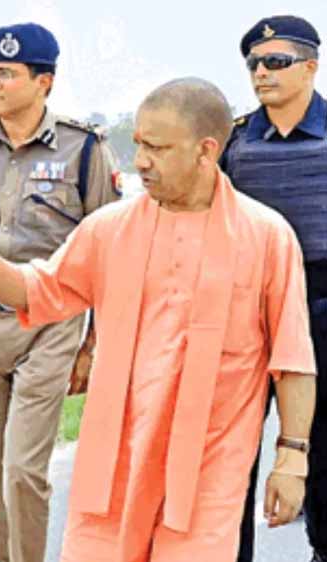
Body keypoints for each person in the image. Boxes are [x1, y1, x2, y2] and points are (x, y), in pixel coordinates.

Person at [0, 77, 317, 562]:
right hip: (115, 461)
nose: (140, 161)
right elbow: (38, 291)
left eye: (157, 148)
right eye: (139, 144)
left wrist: (291, 458)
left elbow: (292, 358)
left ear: (206, 151)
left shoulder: (266, 236)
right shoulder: (110, 229)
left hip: (209, 467)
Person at [0, 22, 121, 562]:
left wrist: (93, 344)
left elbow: (109, 252)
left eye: (7, 74)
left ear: (43, 82)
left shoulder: (84, 149)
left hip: (51, 324)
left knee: (23, 470)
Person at [221, 15, 327, 562]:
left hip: (321, 305)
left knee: (322, 446)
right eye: (254, 64)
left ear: (311, 66)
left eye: (276, 62)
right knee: (231, 451)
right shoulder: (234, 140)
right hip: (248, 311)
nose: (261, 72)